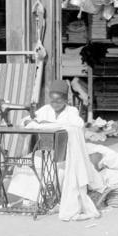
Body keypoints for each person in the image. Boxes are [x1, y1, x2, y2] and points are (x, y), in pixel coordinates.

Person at [21, 79, 104, 221]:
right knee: (26, 165)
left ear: (66, 99)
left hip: (66, 155)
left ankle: (46, 199)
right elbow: (25, 121)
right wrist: (30, 121)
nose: (55, 105)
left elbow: (77, 124)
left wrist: (48, 124)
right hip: (47, 151)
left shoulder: (72, 111)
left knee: (59, 171)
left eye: (58, 101)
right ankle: (31, 199)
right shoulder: (45, 110)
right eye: (52, 101)